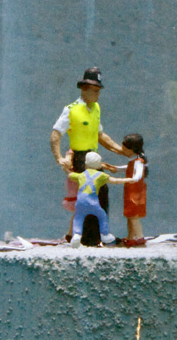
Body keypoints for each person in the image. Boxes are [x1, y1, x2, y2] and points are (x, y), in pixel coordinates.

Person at [50, 67, 131, 242]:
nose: (97, 94)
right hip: (79, 158)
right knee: (89, 194)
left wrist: (121, 150)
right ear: (84, 89)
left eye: (98, 90)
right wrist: (59, 158)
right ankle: (89, 237)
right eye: (94, 90)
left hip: (93, 157)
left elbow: (100, 135)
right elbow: (56, 134)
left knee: (100, 191)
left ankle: (98, 235)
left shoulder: (96, 109)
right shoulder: (71, 110)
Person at [69, 152, 139, 248]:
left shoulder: (81, 175)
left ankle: (76, 235)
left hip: (80, 202)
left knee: (78, 217)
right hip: (92, 201)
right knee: (102, 215)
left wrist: (66, 168)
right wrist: (128, 180)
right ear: (99, 166)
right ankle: (105, 235)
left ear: (85, 164)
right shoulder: (101, 175)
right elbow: (115, 180)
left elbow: (70, 175)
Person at [121, 133, 148, 247]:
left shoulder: (139, 162)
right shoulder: (134, 162)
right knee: (129, 215)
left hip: (134, 192)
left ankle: (140, 237)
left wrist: (126, 179)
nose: (122, 150)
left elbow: (137, 176)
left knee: (134, 217)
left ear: (131, 149)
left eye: (124, 149)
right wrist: (115, 168)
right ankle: (131, 237)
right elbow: (129, 169)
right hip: (130, 191)